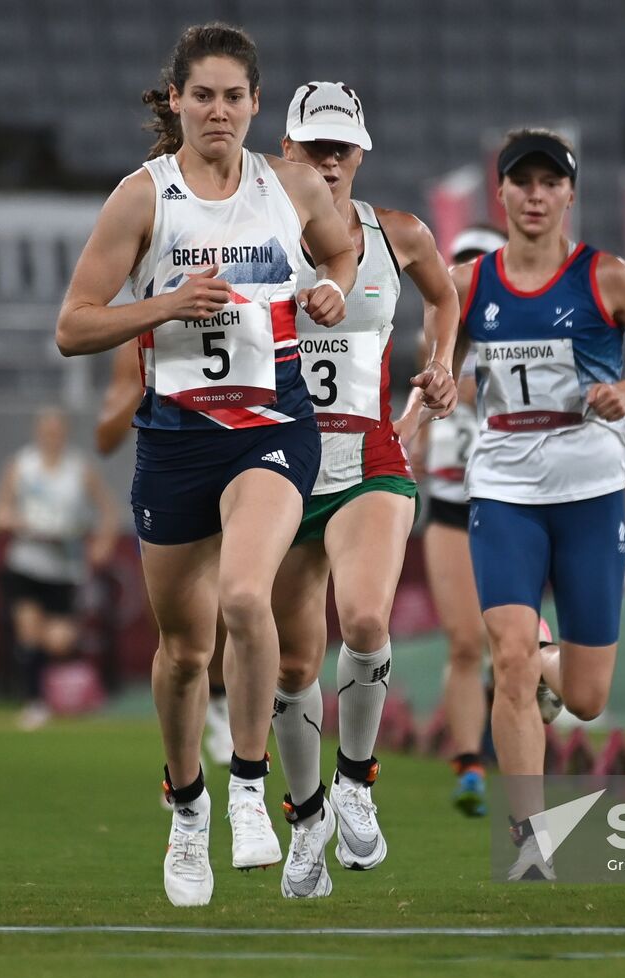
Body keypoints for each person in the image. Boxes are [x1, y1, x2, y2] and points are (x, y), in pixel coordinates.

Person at [54, 23, 358, 908]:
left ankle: (251, 790)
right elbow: (74, 325)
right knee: (185, 653)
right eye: (203, 95)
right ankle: (187, 810)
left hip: (271, 427)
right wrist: (165, 306)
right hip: (176, 440)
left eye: (234, 96)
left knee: (243, 597)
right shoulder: (143, 199)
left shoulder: (291, 182)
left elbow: (336, 248)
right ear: (178, 101)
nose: (219, 110)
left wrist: (331, 282)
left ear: (257, 105)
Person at [452, 129, 625, 880]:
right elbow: (436, 346)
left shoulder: (606, 278)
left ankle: (553, 657)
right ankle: (530, 837)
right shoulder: (467, 283)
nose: (534, 195)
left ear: (568, 193)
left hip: (590, 495)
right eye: (520, 183)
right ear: (501, 194)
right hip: (504, 490)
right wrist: (436, 383)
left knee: (588, 698)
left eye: (547, 183)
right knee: (509, 656)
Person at [266, 81, 458, 900]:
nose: (330, 161)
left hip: (368, 454)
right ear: (288, 151)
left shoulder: (398, 233)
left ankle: (356, 782)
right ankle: (306, 819)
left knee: (369, 617)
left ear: (362, 153)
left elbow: (446, 295)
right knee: (294, 660)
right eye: (314, 146)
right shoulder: (252, 236)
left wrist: (440, 365)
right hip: (274, 463)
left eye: (342, 147)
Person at [97, 342, 233, 767]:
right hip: (173, 478)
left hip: (240, 468)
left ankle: (227, 716)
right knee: (181, 638)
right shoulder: (139, 334)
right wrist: (152, 388)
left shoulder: (254, 288)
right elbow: (104, 436)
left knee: (236, 605)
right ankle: (183, 770)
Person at [414, 225, 506, 818]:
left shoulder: (521, 330)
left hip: (510, 503)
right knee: (466, 641)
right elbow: (421, 413)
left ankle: (528, 705)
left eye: (480, 264)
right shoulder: (437, 338)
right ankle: (470, 763)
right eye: (460, 265)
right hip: (449, 507)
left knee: (513, 641)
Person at [0, 408, 120, 730]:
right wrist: (19, 522)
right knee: (28, 629)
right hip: (27, 562)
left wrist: (102, 544)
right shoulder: (22, 466)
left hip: (64, 567)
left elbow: (109, 511)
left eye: (57, 430)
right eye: (46, 430)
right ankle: (35, 702)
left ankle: (58, 691)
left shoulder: (78, 469)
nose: (52, 436)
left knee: (59, 639)